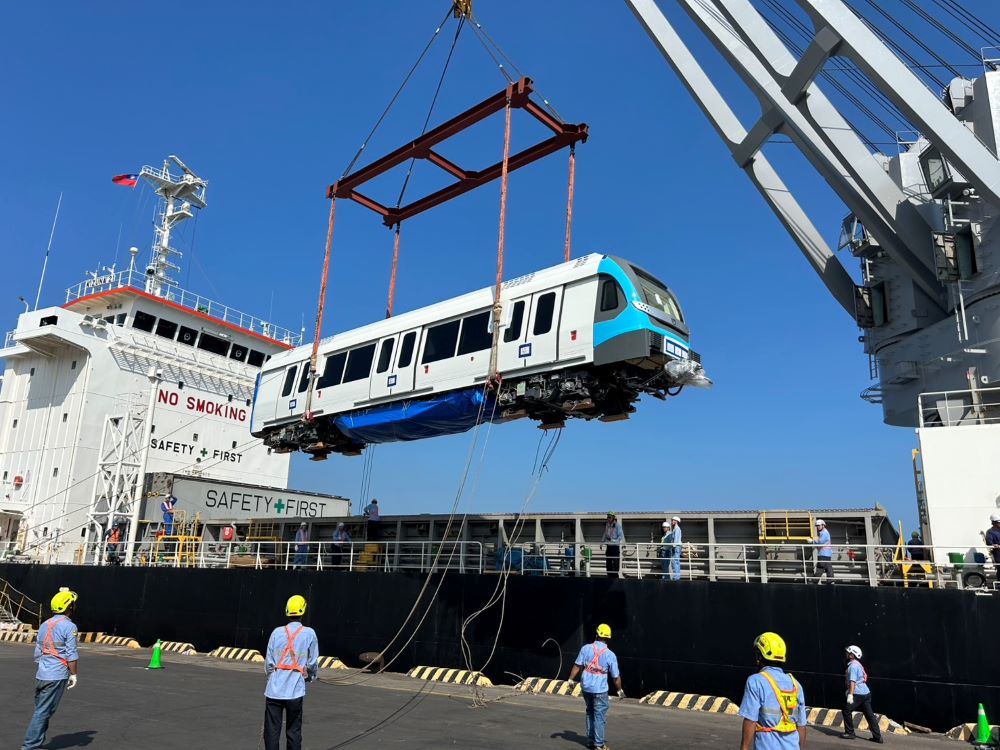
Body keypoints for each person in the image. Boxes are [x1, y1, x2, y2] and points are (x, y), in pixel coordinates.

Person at [22, 589, 79, 750]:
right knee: (43, 712)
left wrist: (44, 667)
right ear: (68, 607)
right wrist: (74, 674)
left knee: (42, 710)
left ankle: (36, 743)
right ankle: (30, 746)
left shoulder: (45, 624)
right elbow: (71, 653)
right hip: (56, 676)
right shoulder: (69, 626)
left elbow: (38, 651)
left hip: (42, 674)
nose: (74, 607)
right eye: (73, 604)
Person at [263, 595, 319, 750]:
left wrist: (272, 677)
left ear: (287, 611)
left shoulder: (276, 632)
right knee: (294, 731)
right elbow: (313, 662)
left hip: (274, 690)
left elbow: (268, 663)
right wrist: (311, 676)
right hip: (295, 690)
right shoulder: (309, 633)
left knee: (272, 732)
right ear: (303, 611)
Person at [738, 632, 807, 750]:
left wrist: (744, 748)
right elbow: (801, 725)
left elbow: (750, 720)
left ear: (760, 656)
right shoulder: (796, 685)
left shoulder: (756, 681)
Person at [566, 624, 623, 750]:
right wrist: (619, 690)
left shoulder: (585, 648)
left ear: (597, 634)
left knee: (590, 712)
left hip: (586, 688)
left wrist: (570, 679)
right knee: (599, 716)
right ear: (608, 638)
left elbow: (577, 666)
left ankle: (590, 741)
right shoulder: (610, 655)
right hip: (600, 690)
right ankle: (599, 744)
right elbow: (616, 677)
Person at [842, 645, 883, 743]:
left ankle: (850, 733)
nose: (846, 654)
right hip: (866, 693)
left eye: (848, 653)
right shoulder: (859, 664)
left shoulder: (852, 666)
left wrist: (850, 695)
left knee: (846, 711)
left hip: (857, 694)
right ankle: (877, 737)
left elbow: (852, 681)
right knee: (869, 715)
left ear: (852, 655)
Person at [811, 518, 834, 583]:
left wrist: (812, 541)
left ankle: (815, 581)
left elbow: (820, 542)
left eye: (819, 525)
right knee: (828, 567)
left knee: (820, 567)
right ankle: (830, 580)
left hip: (823, 554)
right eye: (817, 526)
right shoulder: (823, 533)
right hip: (826, 554)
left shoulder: (824, 533)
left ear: (823, 525)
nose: (817, 527)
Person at [668, 516, 683, 581]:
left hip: (676, 546)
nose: (672, 521)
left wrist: (673, 545)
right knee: (674, 561)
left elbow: (676, 538)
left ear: (676, 521)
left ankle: (677, 576)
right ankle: (676, 575)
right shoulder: (675, 528)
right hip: (676, 546)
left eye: (673, 520)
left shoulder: (677, 529)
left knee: (676, 561)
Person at [986, 515, 1000, 582]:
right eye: (998, 522)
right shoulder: (990, 532)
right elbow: (989, 543)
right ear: (994, 523)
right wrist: (994, 545)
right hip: (998, 553)